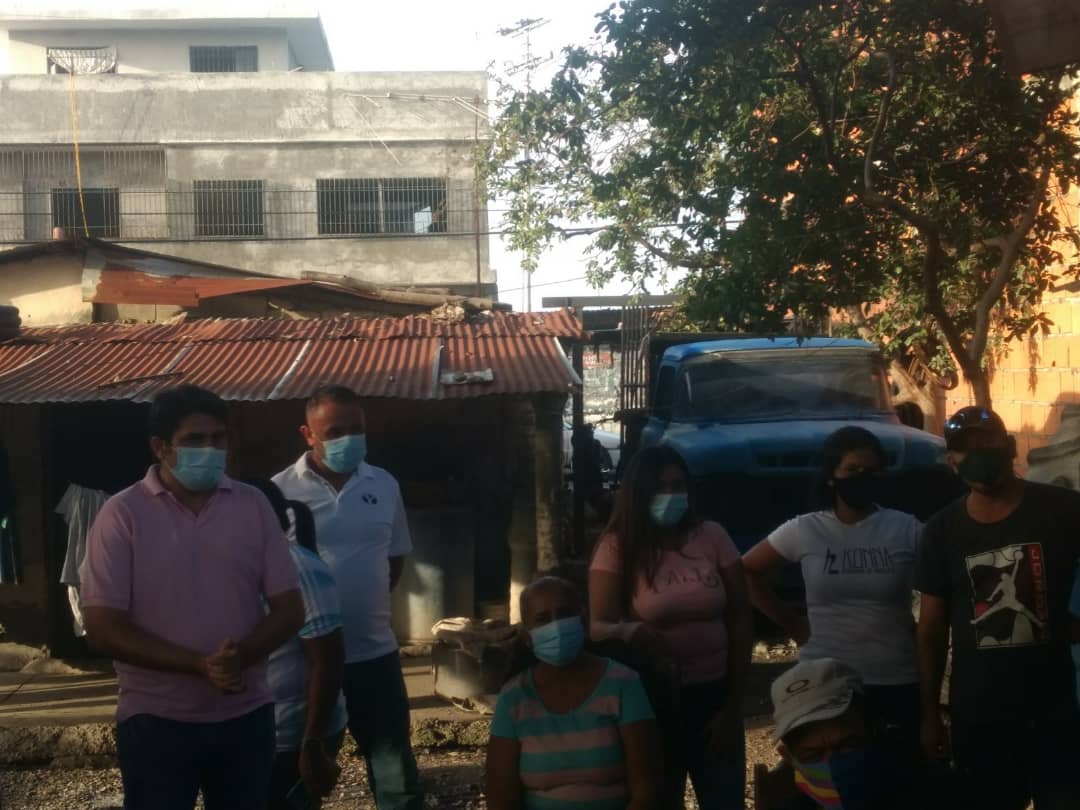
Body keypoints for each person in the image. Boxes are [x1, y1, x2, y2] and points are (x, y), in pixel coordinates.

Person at [80, 385, 304, 810]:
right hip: (156, 722)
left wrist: (241, 657)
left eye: (218, 439)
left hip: (246, 717)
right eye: (194, 440)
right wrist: (197, 665)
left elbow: (290, 608)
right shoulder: (122, 516)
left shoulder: (253, 506)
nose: (210, 450)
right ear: (160, 447)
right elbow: (102, 628)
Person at [916, 406, 1080, 810]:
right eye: (965, 448)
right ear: (952, 462)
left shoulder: (1064, 510)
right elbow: (931, 630)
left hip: (1055, 712)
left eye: (986, 442)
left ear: (1009, 446)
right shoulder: (941, 530)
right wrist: (930, 714)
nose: (977, 454)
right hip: (980, 717)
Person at [274, 385, 422, 810]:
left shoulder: (384, 485)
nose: (348, 440)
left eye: (356, 429)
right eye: (334, 431)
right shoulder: (279, 492)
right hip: (308, 664)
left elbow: (393, 562)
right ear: (308, 434)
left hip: (375, 655)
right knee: (304, 774)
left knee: (395, 774)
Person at [589, 445, 753, 809]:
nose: (670, 495)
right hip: (652, 702)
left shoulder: (712, 536)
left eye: (677, 485)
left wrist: (733, 704)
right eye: (658, 487)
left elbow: (741, 616)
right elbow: (598, 626)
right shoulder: (617, 548)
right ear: (638, 493)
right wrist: (633, 632)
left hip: (715, 696)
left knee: (725, 799)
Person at [743, 427, 923, 753]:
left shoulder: (905, 528)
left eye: (870, 471)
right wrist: (793, 624)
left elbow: (941, 583)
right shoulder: (805, 529)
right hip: (824, 684)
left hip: (895, 677)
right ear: (831, 476)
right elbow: (745, 571)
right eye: (851, 470)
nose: (861, 478)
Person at [486, 576, 660, 810]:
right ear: (527, 637)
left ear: (582, 619)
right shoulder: (514, 698)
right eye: (543, 619)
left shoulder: (624, 684)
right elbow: (501, 800)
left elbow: (646, 793)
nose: (556, 626)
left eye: (564, 614)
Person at [244, 479, 348, 810]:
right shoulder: (238, 567)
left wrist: (312, 743)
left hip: (291, 736)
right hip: (253, 730)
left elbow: (327, 660)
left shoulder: (298, 568)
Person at [764, 658, 961, 810]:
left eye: (847, 745)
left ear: (874, 731)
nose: (834, 765)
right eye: (813, 755)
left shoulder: (937, 795)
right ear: (789, 758)